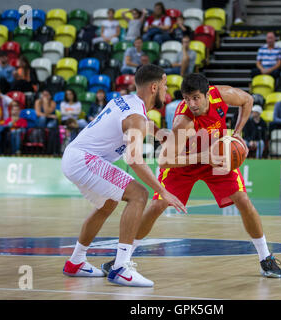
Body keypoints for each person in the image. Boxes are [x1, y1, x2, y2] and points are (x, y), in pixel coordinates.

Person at [101, 73, 281, 279]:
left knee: (242, 200)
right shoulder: (184, 122)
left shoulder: (221, 95)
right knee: (157, 206)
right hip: (183, 161)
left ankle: (265, 257)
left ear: (207, 94)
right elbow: (164, 160)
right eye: (187, 99)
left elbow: (248, 100)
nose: (192, 103)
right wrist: (204, 156)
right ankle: (121, 259)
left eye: (196, 97)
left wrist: (238, 132)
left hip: (215, 156)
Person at [61, 64, 187, 287]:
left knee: (108, 204)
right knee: (139, 194)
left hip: (76, 156)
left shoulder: (127, 100)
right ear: (154, 87)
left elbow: (140, 123)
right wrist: (163, 191)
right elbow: (134, 159)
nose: (167, 91)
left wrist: (158, 133)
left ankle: (76, 261)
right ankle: (120, 267)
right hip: (85, 159)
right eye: (165, 85)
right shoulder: (136, 116)